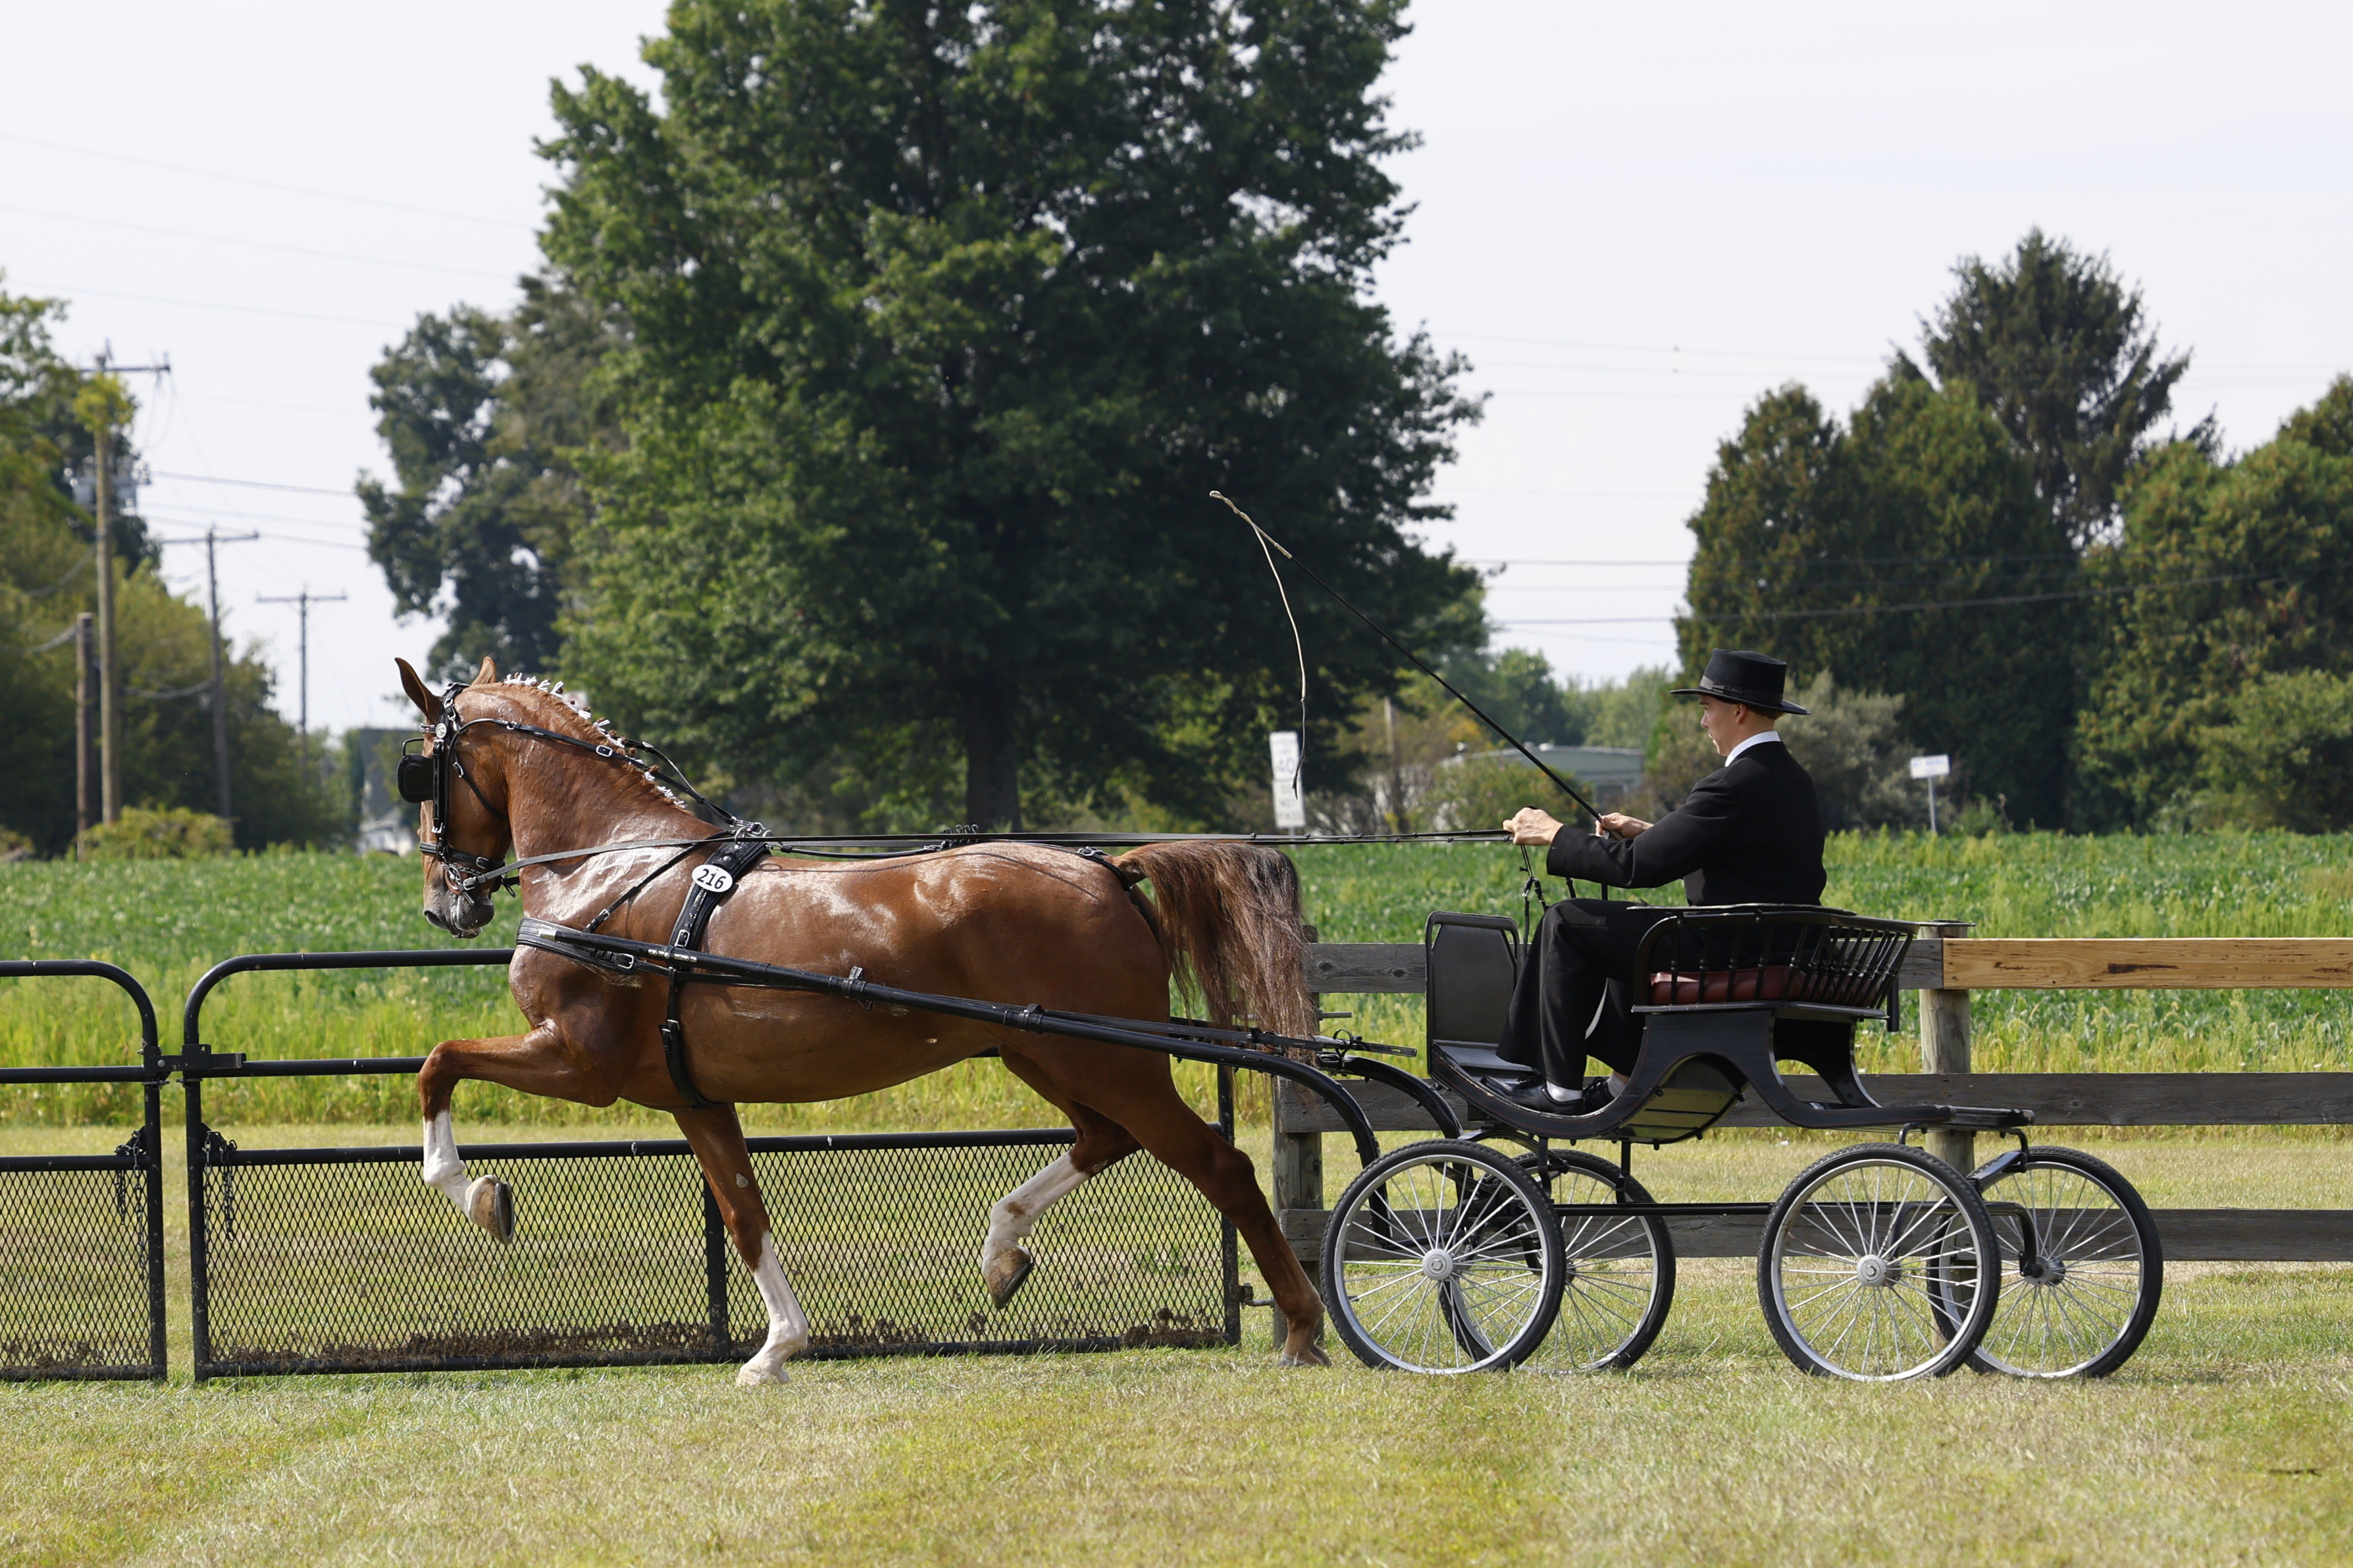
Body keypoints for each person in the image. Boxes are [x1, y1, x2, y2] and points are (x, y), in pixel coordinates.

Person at [1493, 649, 1826, 1113]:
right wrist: (1652, 832)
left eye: (1707, 708)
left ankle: (1558, 1090)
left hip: (1730, 949)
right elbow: (1749, 861)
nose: (1703, 722)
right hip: (1765, 945)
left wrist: (1554, 834)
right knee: (1623, 931)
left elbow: (1636, 868)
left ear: (1738, 710)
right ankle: (1620, 1082)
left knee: (1568, 921)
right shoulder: (1791, 779)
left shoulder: (1733, 784)